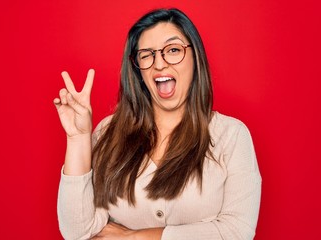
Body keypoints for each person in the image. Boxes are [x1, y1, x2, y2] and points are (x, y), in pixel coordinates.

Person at [54, 8, 261, 240]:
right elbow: (77, 231)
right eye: (146, 54)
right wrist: (78, 138)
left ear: (196, 58)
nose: (159, 64)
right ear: (137, 68)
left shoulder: (232, 136)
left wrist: (133, 237)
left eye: (173, 50)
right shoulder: (107, 133)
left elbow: (236, 232)